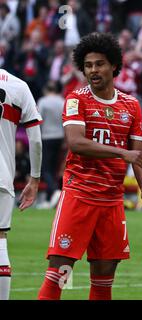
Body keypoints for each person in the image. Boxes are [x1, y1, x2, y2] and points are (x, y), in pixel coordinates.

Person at [37, 32, 142, 300]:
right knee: (60, 274)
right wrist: (122, 153)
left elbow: (137, 155)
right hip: (79, 196)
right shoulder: (76, 99)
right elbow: (76, 142)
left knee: (104, 279)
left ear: (114, 65)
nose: (93, 70)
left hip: (111, 202)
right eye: (89, 65)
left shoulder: (131, 105)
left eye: (100, 64)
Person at [0, 68, 43, 300]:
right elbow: (35, 139)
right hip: (2, 175)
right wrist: (34, 178)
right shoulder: (18, 85)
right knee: (0, 241)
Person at [37, 81, 65, 208]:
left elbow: (38, 118)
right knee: (54, 167)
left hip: (47, 136)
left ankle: (54, 192)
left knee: (46, 168)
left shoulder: (43, 101)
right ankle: (49, 198)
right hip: (60, 136)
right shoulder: (62, 101)